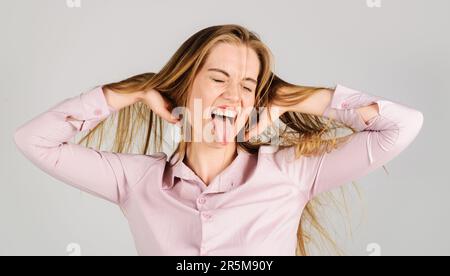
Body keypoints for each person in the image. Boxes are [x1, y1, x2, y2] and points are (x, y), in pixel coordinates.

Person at [13, 24, 424, 256]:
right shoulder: (137, 181)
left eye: (248, 85)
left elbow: (401, 126)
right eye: (218, 78)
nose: (233, 96)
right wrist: (131, 91)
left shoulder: (292, 173)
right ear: (185, 84)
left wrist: (295, 96)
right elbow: (35, 141)